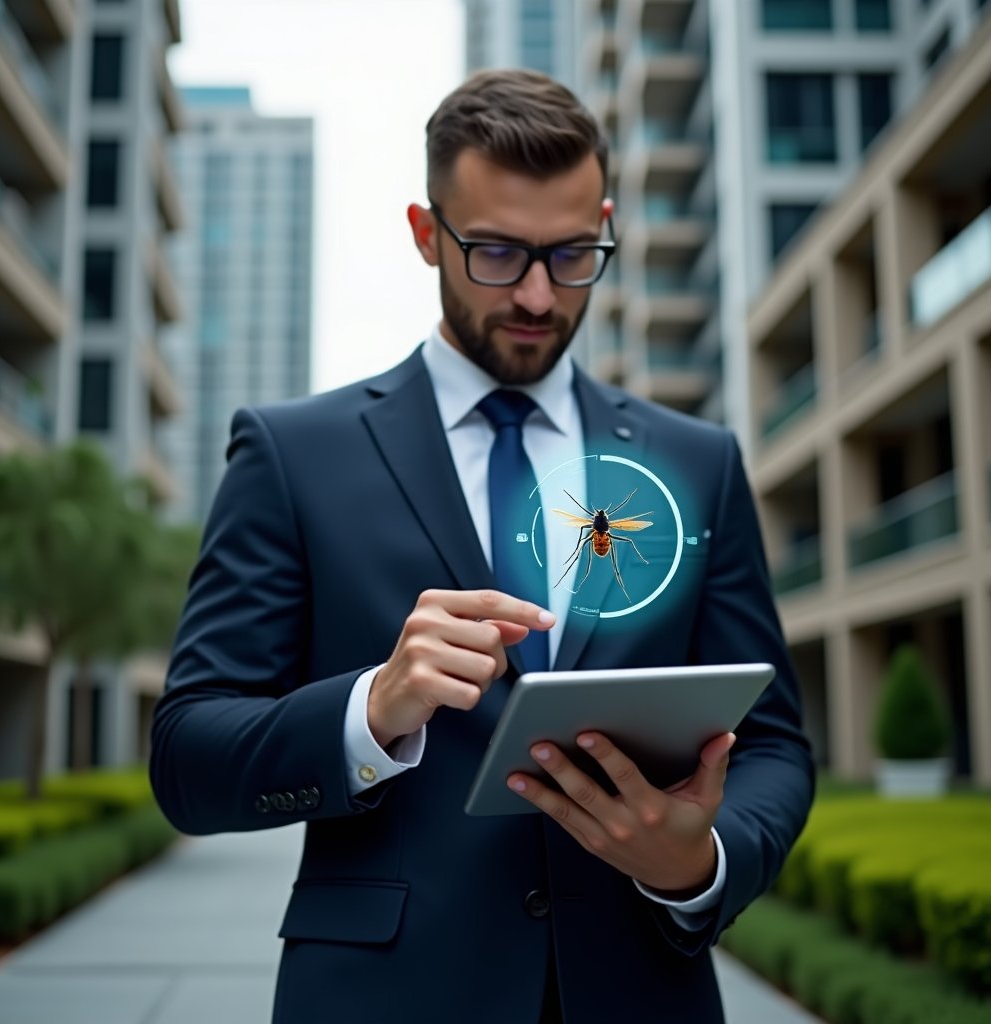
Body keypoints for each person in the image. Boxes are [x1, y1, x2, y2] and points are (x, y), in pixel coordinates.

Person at [150, 69, 814, 1024]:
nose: (539, 295)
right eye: (497, 253)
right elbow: (187, 760)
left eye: (573, 254)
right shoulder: (293, 456)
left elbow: (775, 744)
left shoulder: (695, 462)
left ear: (605, 225)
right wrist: (372, 709)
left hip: (638, 992)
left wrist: (697, 861)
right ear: (428, 234)